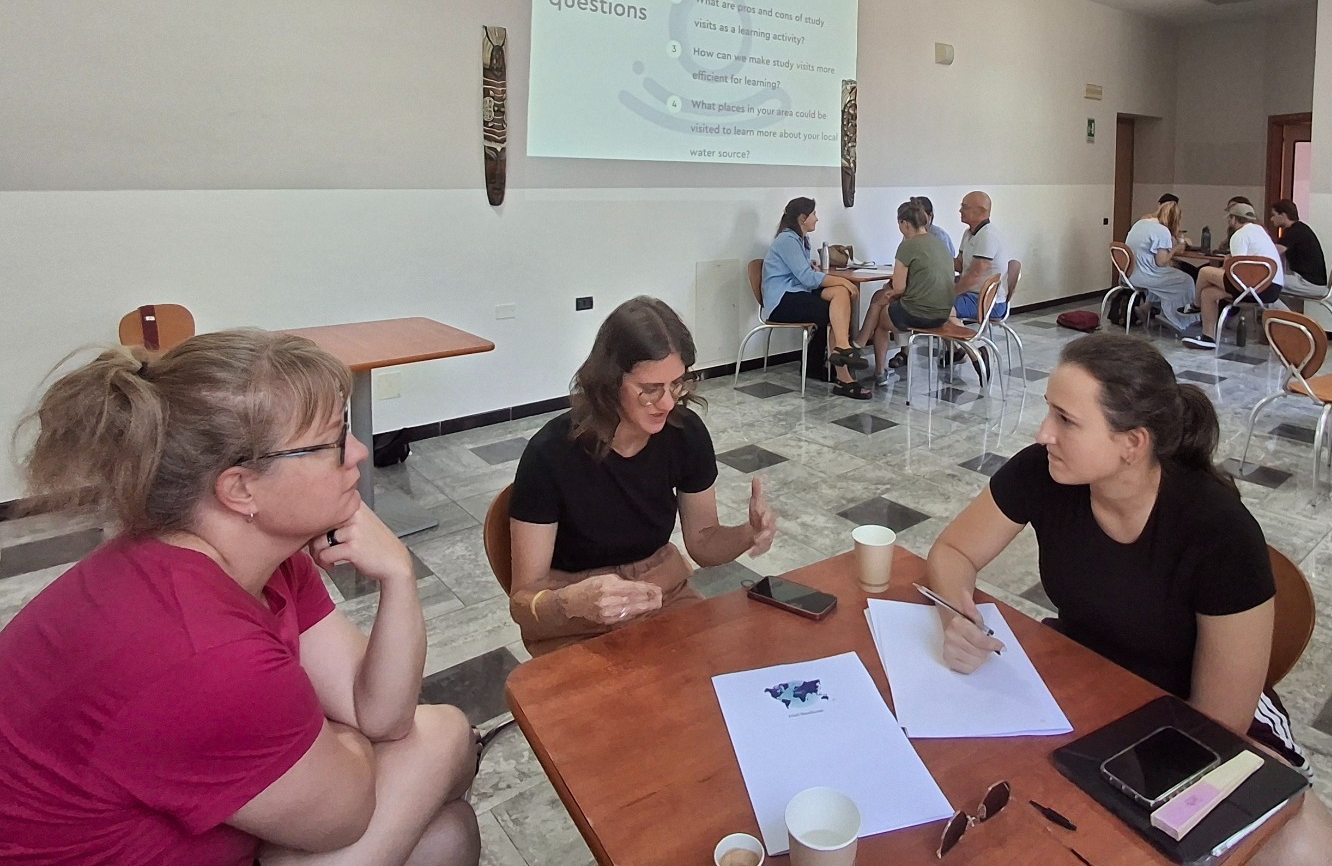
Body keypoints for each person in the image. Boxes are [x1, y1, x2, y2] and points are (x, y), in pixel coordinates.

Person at [0, 330, 481, 866]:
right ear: (241, 490)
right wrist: (332, 738)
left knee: (447, 821)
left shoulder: (257, 559)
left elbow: (383, 718)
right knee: (444, 740)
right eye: (331, 442)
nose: (360, 452)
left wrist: (398, 577)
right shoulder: (201, 651)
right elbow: (345, 814)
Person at [925, 335, 1332, 864]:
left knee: (1298, 843)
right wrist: (955, 611)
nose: (1043, 433)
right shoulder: (1043, 473)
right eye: (1050, 412)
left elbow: (1217, 722)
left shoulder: (1217, 531)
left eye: (1066, 421)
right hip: (1088, 682)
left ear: (1132, 443)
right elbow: (954, 550)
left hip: (1196, 721)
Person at [508, 297, 776, 656]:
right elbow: (523, 601)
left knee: (713, 678)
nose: (667, 403)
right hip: (576, 610)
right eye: (650, 389)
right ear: (609, 382)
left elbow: (703, 543)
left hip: (658, 592)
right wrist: (573, 603)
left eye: (677, 384)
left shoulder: (685, 433)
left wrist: (748, 533)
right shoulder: (551, 454)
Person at [760, 196, 870, 398]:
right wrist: (844, 280)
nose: (817, 219)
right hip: (782, 300)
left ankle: (839, 352)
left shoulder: (801, 239)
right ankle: (843, 373)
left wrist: (814, 267)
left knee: (840, 295)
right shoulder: (787, 240)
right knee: (834, 307)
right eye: (814, 214)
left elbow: (802, 272)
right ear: (803, 218)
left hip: (797, 292)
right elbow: (807, 278)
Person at [854, 200, 957, 382]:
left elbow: (899, 287)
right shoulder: (940, 242)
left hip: (919, 314)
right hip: (943, 312)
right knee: (882, 300)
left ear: (904, 223)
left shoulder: (908, 245)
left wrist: (892, 292)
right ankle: (859, 345)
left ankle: (877, 370)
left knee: (881, 320)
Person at [1183, 203, 1285, 350]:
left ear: (1234, 219)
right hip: (1272, 287)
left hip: (1254, 287)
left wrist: (1226, 264)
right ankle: (1208, 337)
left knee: (1205, 272)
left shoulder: (1240, 235)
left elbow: (1237, 268)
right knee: (1208, 293)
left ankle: (1195, 306)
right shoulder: (1260, 231)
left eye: (1230, 218)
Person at [1123, 199, 1200, 333]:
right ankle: (1175, 318)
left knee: (1167, 274)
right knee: (1186, 280)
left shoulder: (1140, 224)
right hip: (1144, 275)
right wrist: (1176, 248)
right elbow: (1161, 261)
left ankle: (1147, 307)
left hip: (1130, 274)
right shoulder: (1162, 231)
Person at [953, 191, 1008, 321]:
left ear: (981, 211)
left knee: (937, 307)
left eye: (965, 207)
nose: (960, 210)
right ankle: (955, 340)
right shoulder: (969, 233)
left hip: (989, 301)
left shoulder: (988, 236)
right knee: (934, 303)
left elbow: (974, 277)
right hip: (972, 295)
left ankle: (965, 340)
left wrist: (950, 293)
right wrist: (938, 258)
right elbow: (960, 265)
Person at [1270, 200, 1329, 302]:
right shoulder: (1300, 229)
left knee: (1267, 283)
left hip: (1308, 282)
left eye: (1274, 215)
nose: (1271, 219)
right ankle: (1285, 316)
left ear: (1283, 216)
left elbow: (1274, 252)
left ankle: (1282, 315)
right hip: (1312, 281)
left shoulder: (1294, 231)